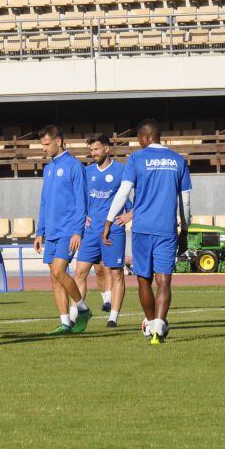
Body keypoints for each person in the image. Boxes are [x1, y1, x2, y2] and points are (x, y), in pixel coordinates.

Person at [104, 119, 191, 345]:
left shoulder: (136, 158)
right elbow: (185, 201)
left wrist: (109, 220)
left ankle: (152, 323)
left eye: (139, 139)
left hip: (142, 228)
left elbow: (123, 193)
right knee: (164, 281)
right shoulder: (178, 160)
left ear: (144, 137)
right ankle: (159, 326)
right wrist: (185, 229)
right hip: (166, 229)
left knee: (144, 280)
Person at [32, 125, 92, 335]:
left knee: (59, 270)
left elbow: (82, 201)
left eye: (46, 144)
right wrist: (40, 232)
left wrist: (77, 231)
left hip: (68, 230)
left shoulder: (75, 166)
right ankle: (65, 322)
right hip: (51, 231)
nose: (44, 148)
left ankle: (82, 309)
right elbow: (44, 202)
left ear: (58, 142)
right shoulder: (48, 169)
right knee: (55, 276)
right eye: (42, 145)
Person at [80, 133, 129, 328]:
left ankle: (113, 318)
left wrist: (129, 215)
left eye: (96, 149)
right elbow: (79, 197)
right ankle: (76, 313)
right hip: (91, 231)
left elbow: (141, 195)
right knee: (81, 271)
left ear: (107, 149)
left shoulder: (122, 170)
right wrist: (83, 214)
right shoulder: (87, 172)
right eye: (91, 150)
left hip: (114, 230)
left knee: (116, 273)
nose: (93, 153)